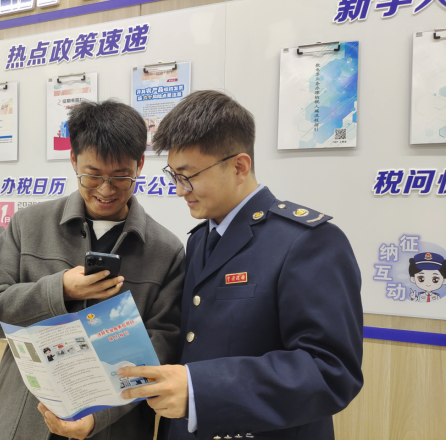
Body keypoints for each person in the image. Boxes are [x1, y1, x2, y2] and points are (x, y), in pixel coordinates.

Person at [118, 90, 364, 440]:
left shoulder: (307, 242)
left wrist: (200, 389)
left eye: (188, 176)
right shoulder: (200, 239)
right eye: (174, 175)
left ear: (239, 166)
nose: (180, 190)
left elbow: (330, 371)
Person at [0, 100, 185, 440]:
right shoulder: (28, 225)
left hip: (114, 427)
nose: (106, 190)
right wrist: (60, 291)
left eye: (121, 177)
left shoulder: (166, 251)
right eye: (92, 175)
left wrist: (97, 416)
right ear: (73, 160)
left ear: (140, 165)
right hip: (22, 423)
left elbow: (161, 349)